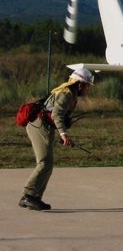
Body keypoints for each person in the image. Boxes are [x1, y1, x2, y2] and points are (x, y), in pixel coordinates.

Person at [19, 67, 94, 211]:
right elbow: (56, 115)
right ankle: (27, 195)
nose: (88, 88)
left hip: (44, 125)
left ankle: (35, 197)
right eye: (87, 84)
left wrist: (62, 132)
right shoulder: (66, 94)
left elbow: (55, 116)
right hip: (39, 125)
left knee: (48, 163)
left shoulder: (70, 93)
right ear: (79, 84)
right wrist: (63, 134)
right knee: (45, 162)